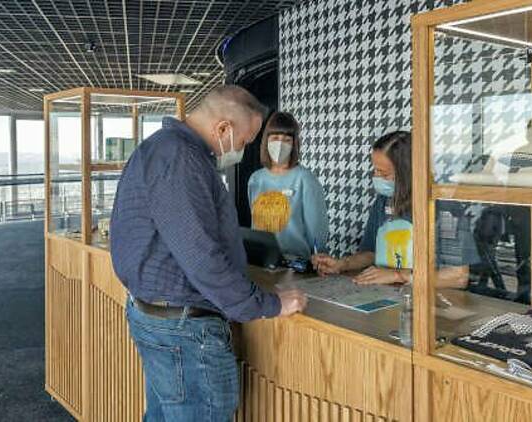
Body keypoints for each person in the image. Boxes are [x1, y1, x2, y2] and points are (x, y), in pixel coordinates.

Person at [109, 85, 307, 421]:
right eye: (245, 140)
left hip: (157, 316)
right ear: (223, 129)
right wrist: (269, 304)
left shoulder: (163, 148)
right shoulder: (181, 159)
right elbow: (202, 257)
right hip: (184, 330)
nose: (243, 149)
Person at [312, 131, 413, 285]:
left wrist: (399, 275)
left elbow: (458, 276)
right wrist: (341, 264)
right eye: (375, 170)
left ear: (407, 173)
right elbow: (371, 253)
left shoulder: (437, 206)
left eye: (384, 174)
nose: (376, 177)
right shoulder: (383, 201)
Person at [247, 112, 328, 259]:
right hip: (261, 260)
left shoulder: (305, 179)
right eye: (275, 138)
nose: (280, 144)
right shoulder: (256, 179)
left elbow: (317, 232)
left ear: (294, 144)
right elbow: (254, 223)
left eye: (287, 140)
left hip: (295, 264)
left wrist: (317, 260)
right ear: (266, 141)